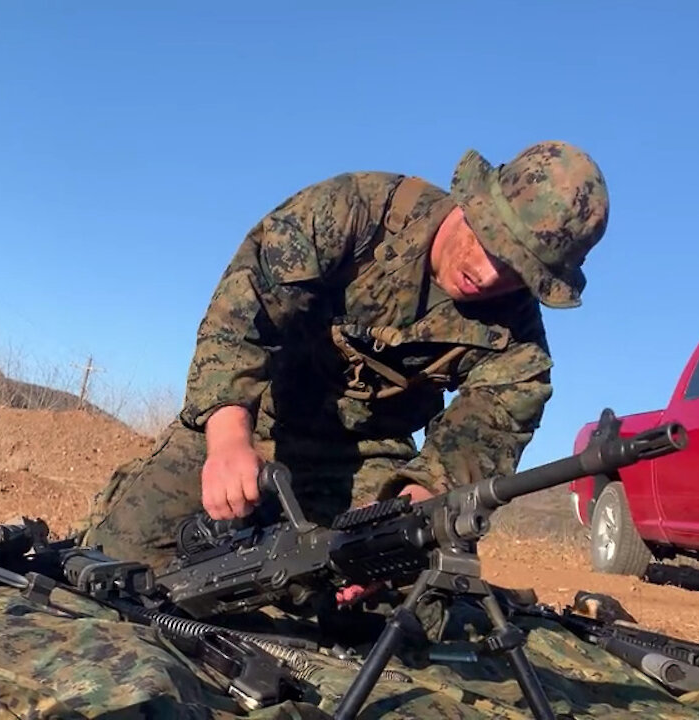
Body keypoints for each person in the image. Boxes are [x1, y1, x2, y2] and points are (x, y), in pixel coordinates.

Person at [81, 140, 610, 576]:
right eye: (492, 246)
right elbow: (244, 310)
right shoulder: (354, 211)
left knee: (399, 601)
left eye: (519, 270)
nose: (491, 276)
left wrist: (404, 513)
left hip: (366, 464)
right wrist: (226, 440)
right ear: (474, 204)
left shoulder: (516, 342)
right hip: (253, 424)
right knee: (110, 564)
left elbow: (481, 439)